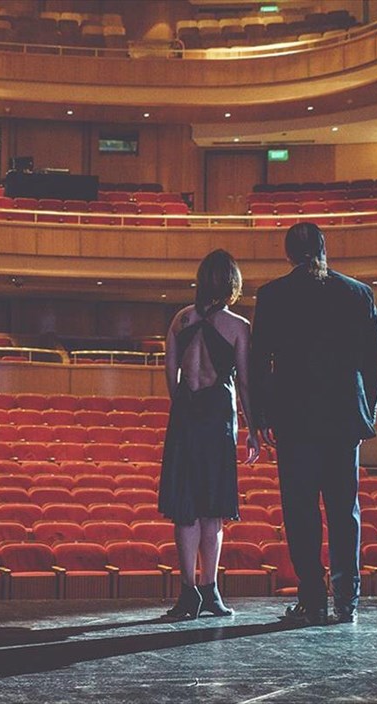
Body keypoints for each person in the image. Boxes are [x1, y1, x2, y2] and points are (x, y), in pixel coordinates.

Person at [250, 222, 377, 626]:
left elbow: (259, 362)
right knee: (345, 511)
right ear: (325, 249)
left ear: (288, 254)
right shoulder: (358, 293)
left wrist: (263, 416)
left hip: (295, 421)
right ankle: (347, 600)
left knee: (301, 511)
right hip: (343, 420)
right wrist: (366, 410)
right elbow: (375, 361)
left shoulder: (273, 295)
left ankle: (312, 598)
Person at [159, 249, 260, 620]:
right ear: (232, 284)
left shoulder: (180, 319)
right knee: (212, 511)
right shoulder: (238, 326)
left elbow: (171, 375)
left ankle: (188, 593)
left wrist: (185, 407)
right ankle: (210, 589)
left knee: (185, 509)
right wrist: (253, 429)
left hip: (186, 414)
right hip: (218, 420)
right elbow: (245, 383)